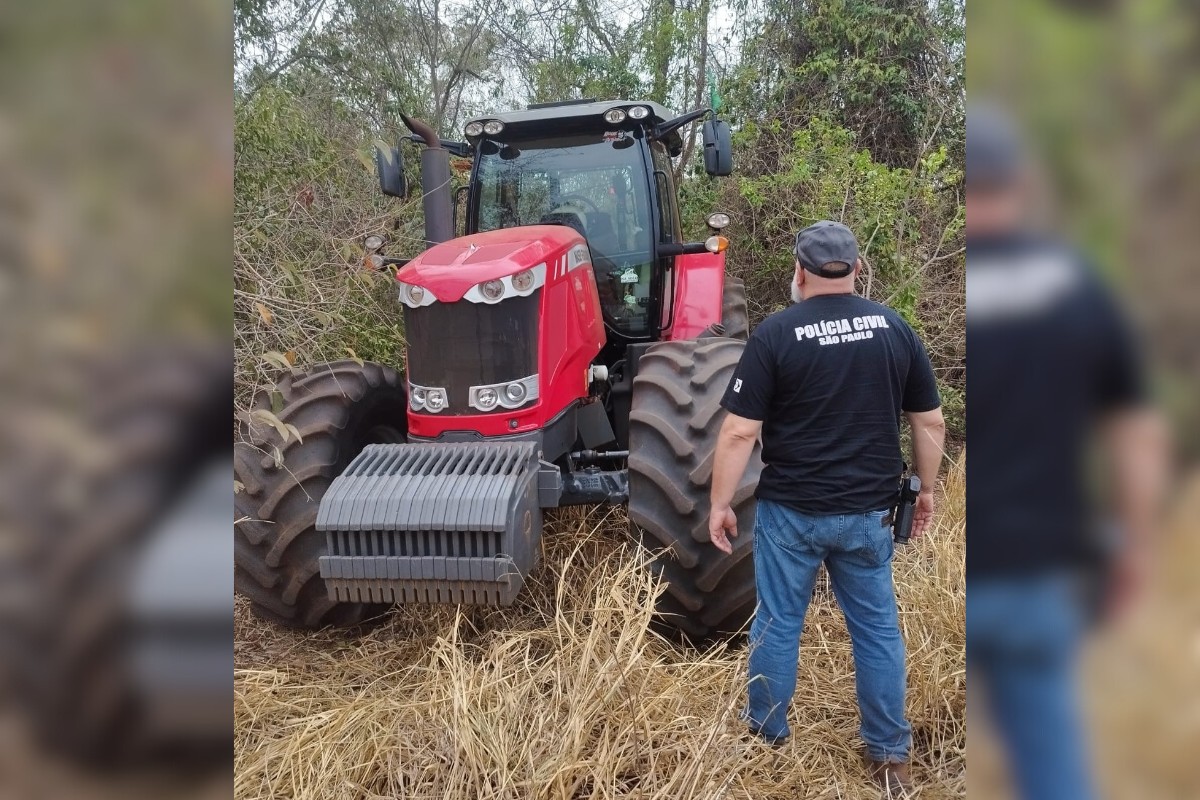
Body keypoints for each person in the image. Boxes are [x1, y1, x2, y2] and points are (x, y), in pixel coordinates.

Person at [965, 104, 1167, 800]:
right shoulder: (1078, 284)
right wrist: (1136, 545)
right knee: (1050, 765)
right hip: (1037, 578)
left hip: (962, 576)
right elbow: (1137, 431)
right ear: (1019, 185)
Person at [709, 220, 946, 792]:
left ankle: (766, 737)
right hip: (870, 515)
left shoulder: (776, 334)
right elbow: (930, 421)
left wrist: (720, 503)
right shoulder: (894, 328)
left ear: (800, 271)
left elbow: (739, 432)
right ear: (857, 269)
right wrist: (927, 489)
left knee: (778, 623)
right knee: (877, 630)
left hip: (792, 515)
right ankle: (889, 758)